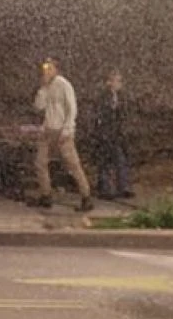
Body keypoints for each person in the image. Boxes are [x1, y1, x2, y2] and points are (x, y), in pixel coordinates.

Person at [31, 58, 93, 212]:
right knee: (40, 162)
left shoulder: (64, 85)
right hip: (48, 130)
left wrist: (68, 129)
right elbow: (39, 106)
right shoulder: (47, 86)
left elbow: (72, 108)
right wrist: (43, 88)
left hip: (62, 130)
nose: (47, 71)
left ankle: (86, 196)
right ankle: (46, 195)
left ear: (57, 70)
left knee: (72, 164)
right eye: (45, 69)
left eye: (50, 68)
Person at [93, 69, 135, 200]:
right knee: (105, 161)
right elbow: (100, 116)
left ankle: (123, 187)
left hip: (116, 135)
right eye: (117, 81)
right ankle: (105, 189)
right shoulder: (102, 98)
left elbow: (122, 115)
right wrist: (102, 132)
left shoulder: (121, 97)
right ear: (109, 82)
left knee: (120, 160)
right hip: (106, 134)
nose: (120, 84)